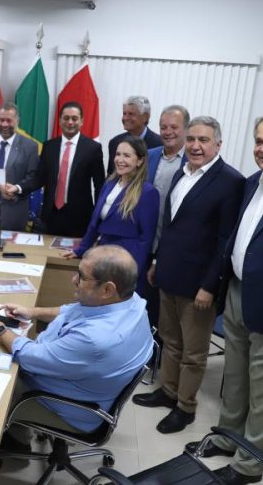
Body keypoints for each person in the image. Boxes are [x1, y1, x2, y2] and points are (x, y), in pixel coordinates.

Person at [0, 245, 153, 447]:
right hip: (82, 384)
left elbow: (29, 358)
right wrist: (32, 311)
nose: (73, 280)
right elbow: (72, 311)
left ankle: (15, 442)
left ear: (107, 289)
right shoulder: (132, 301)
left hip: (66, 407)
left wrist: (0, 331)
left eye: (82, 277)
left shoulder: (95, 339)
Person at [133, 116, 245, 434]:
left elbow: (225, 241)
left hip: (199, 285)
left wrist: (210, 285)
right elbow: (171, 228)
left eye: (204, 140)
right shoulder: (184, 173)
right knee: (170, 340)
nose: (195, 145)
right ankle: (168, 392)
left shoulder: (230, 181)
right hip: (169, 273)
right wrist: (156, 262)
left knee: (194, 353)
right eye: (192, 138)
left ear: (218, 144)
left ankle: (186, 407)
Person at [185, 117, 263, 485]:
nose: (261, 148)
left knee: (261, 387)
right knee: (235, 374)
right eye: (258, 141)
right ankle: (227, 437)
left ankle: (250, 463)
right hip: (237, 291)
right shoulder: (252, 184)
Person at [65, 137, 159, 294]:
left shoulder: (148, 192)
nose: (120, 160)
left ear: (140, 161)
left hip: (126, 260)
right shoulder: (109, 184)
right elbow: (95, 224)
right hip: (103, 254)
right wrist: (81, 250)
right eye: (118, 154)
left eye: (127, 156)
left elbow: (146, 238)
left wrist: (131, 272)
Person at [15, 101, 105, 237]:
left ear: (82, 121)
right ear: (60, 120)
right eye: (66, 118)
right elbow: (39, 178)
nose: (70, 122)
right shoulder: (49, 146)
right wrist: (18, 188)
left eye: (74, 118)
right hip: (51, 216)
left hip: (79, 218)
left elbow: (99, 185)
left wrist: (98, 215)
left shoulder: (92, 148)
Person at [144, 105, 189, 332]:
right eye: (163, 127)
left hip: (171, 248)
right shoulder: (150, 156)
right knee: (141, 304)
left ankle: (157, 356)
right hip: (145, 243)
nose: (168, 131)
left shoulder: (194, 161)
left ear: (185, 129)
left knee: (163, 313)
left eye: (174, 127)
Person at [0, 102, 39, 231]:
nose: (4, 124)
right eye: (1, 120)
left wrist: (16, 188)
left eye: (9, 120)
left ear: (17, 121)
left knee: (9, 250)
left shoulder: (30, 146)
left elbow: (33, 177)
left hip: (13, 211)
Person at [107, 95, 162, 175]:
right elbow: (111, 175)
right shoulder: (115, 142)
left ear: (145, 117)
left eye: (131, 114)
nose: (125, 118)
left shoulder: (159, 144)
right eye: (124, 113)